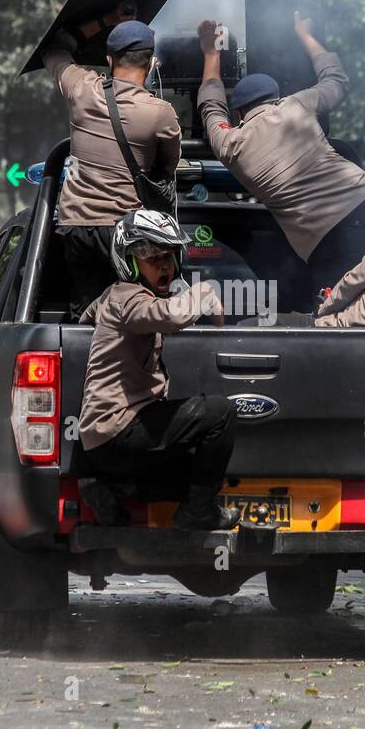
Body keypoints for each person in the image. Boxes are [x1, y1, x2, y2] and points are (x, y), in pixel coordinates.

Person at [198, 13, 365, 295]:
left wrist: (210, 52)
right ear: (275, 98)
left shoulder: (230, 143)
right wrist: (305, 34)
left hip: (328, 244)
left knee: (342, 315)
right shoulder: (295, 105)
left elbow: (211, 104)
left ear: (239, 113)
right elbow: (336, 79)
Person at [78, 210, 239, 531]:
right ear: (130, 262)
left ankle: (112, 491)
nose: (165, 265)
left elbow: (88, 316)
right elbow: (171, 316)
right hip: (120, 428)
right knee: (221, 412)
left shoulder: (116, 297)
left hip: (108, 439)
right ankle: (197, 514)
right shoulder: (129, 298)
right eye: (154, 258)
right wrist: (205, 292)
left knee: (193, 478)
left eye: (169, 256)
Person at [44, 15, 182, 318]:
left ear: (109, 59)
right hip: (126, 231)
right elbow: (168, 166)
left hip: (76, 227)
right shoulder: (161, 113)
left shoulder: (82, 90)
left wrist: (100, 20)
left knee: (86, 314)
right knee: (132, 313)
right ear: (151, 63)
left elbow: (54, 51)